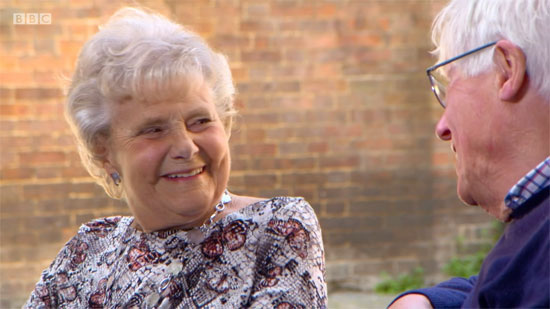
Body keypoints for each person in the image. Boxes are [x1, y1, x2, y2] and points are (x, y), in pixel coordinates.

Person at [25, 7, 327, 308]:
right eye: (154, 129)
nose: (186, 147)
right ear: (105, 152)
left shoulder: (276, 228)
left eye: (200, 121)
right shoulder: (88, 249)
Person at [389, 0, 549, 308]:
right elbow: (515, 280)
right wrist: (431, 301)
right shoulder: (535, 227)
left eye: (451, 84)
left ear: (507, 70)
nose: (442, 127)